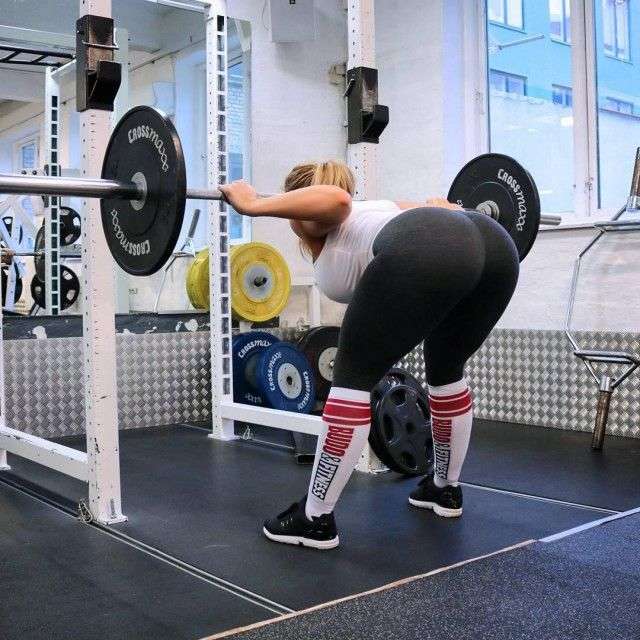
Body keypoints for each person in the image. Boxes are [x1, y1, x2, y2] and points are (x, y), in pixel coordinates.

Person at [219, 160, 519, 550]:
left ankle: (314, 518)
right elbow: (438, 215)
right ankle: (445, 489)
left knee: (352, 379)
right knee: (446, 368)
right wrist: (447, 211)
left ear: (295, 203)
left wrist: (252, 204)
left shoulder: (324, 220)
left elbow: (336, 200)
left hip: (440, 240)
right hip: (494, 244)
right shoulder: (376, 210)